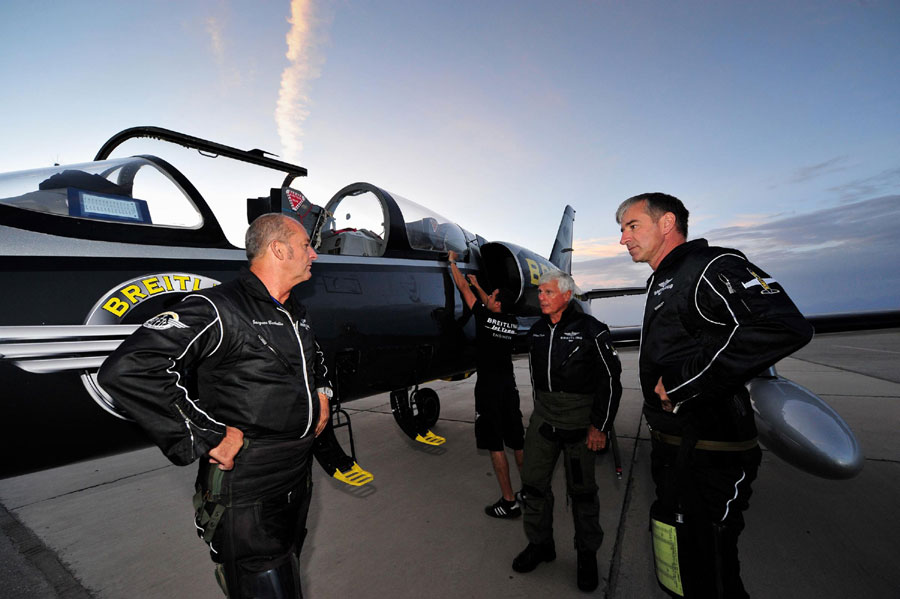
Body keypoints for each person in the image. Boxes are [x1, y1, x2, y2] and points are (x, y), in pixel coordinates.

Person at [98, 213, 332, 599]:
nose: (314, 255)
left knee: (289, 561)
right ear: (278, 249)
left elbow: (314, 355)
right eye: (307, 245)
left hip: (296, 475)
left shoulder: (295, 311)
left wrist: (322, 391)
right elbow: (128, 370)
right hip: (247, 484)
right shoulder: (217, 307)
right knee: (265, 583)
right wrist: (208, 435)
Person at [616, 192, 814, 598]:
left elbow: (781, 325)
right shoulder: (663, 279)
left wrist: (682, 384)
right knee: (681, 565)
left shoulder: (710, 266)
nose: (623, 239)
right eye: (622, 230)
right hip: (675, 453)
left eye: (632, 226)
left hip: (711, 452)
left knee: (712, 571)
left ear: (667, 223)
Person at [512, 270, 622, 593]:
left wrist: (600, 426)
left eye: (546, 292)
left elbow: (611, 382)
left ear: (566, 295)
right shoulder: (536, 332)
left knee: (583, 493)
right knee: (532, 485)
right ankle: (541, 545)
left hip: (579, 424)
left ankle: (587, 555)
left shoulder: (592, 331)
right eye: (539, 292)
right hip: (544, 420)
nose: (540, 297)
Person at [447, 250, 525, 518]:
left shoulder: (483, 317)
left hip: (490, 390)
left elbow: (460, 287)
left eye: (492, 297)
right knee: (517, 441)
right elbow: (484, 304)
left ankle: (509, 500)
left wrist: (452, 263)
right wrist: (479, 287)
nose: (488, 298)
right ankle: (529, 491)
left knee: (495, 445)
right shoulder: (510, 323)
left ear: (497, 304)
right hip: (509, 388)